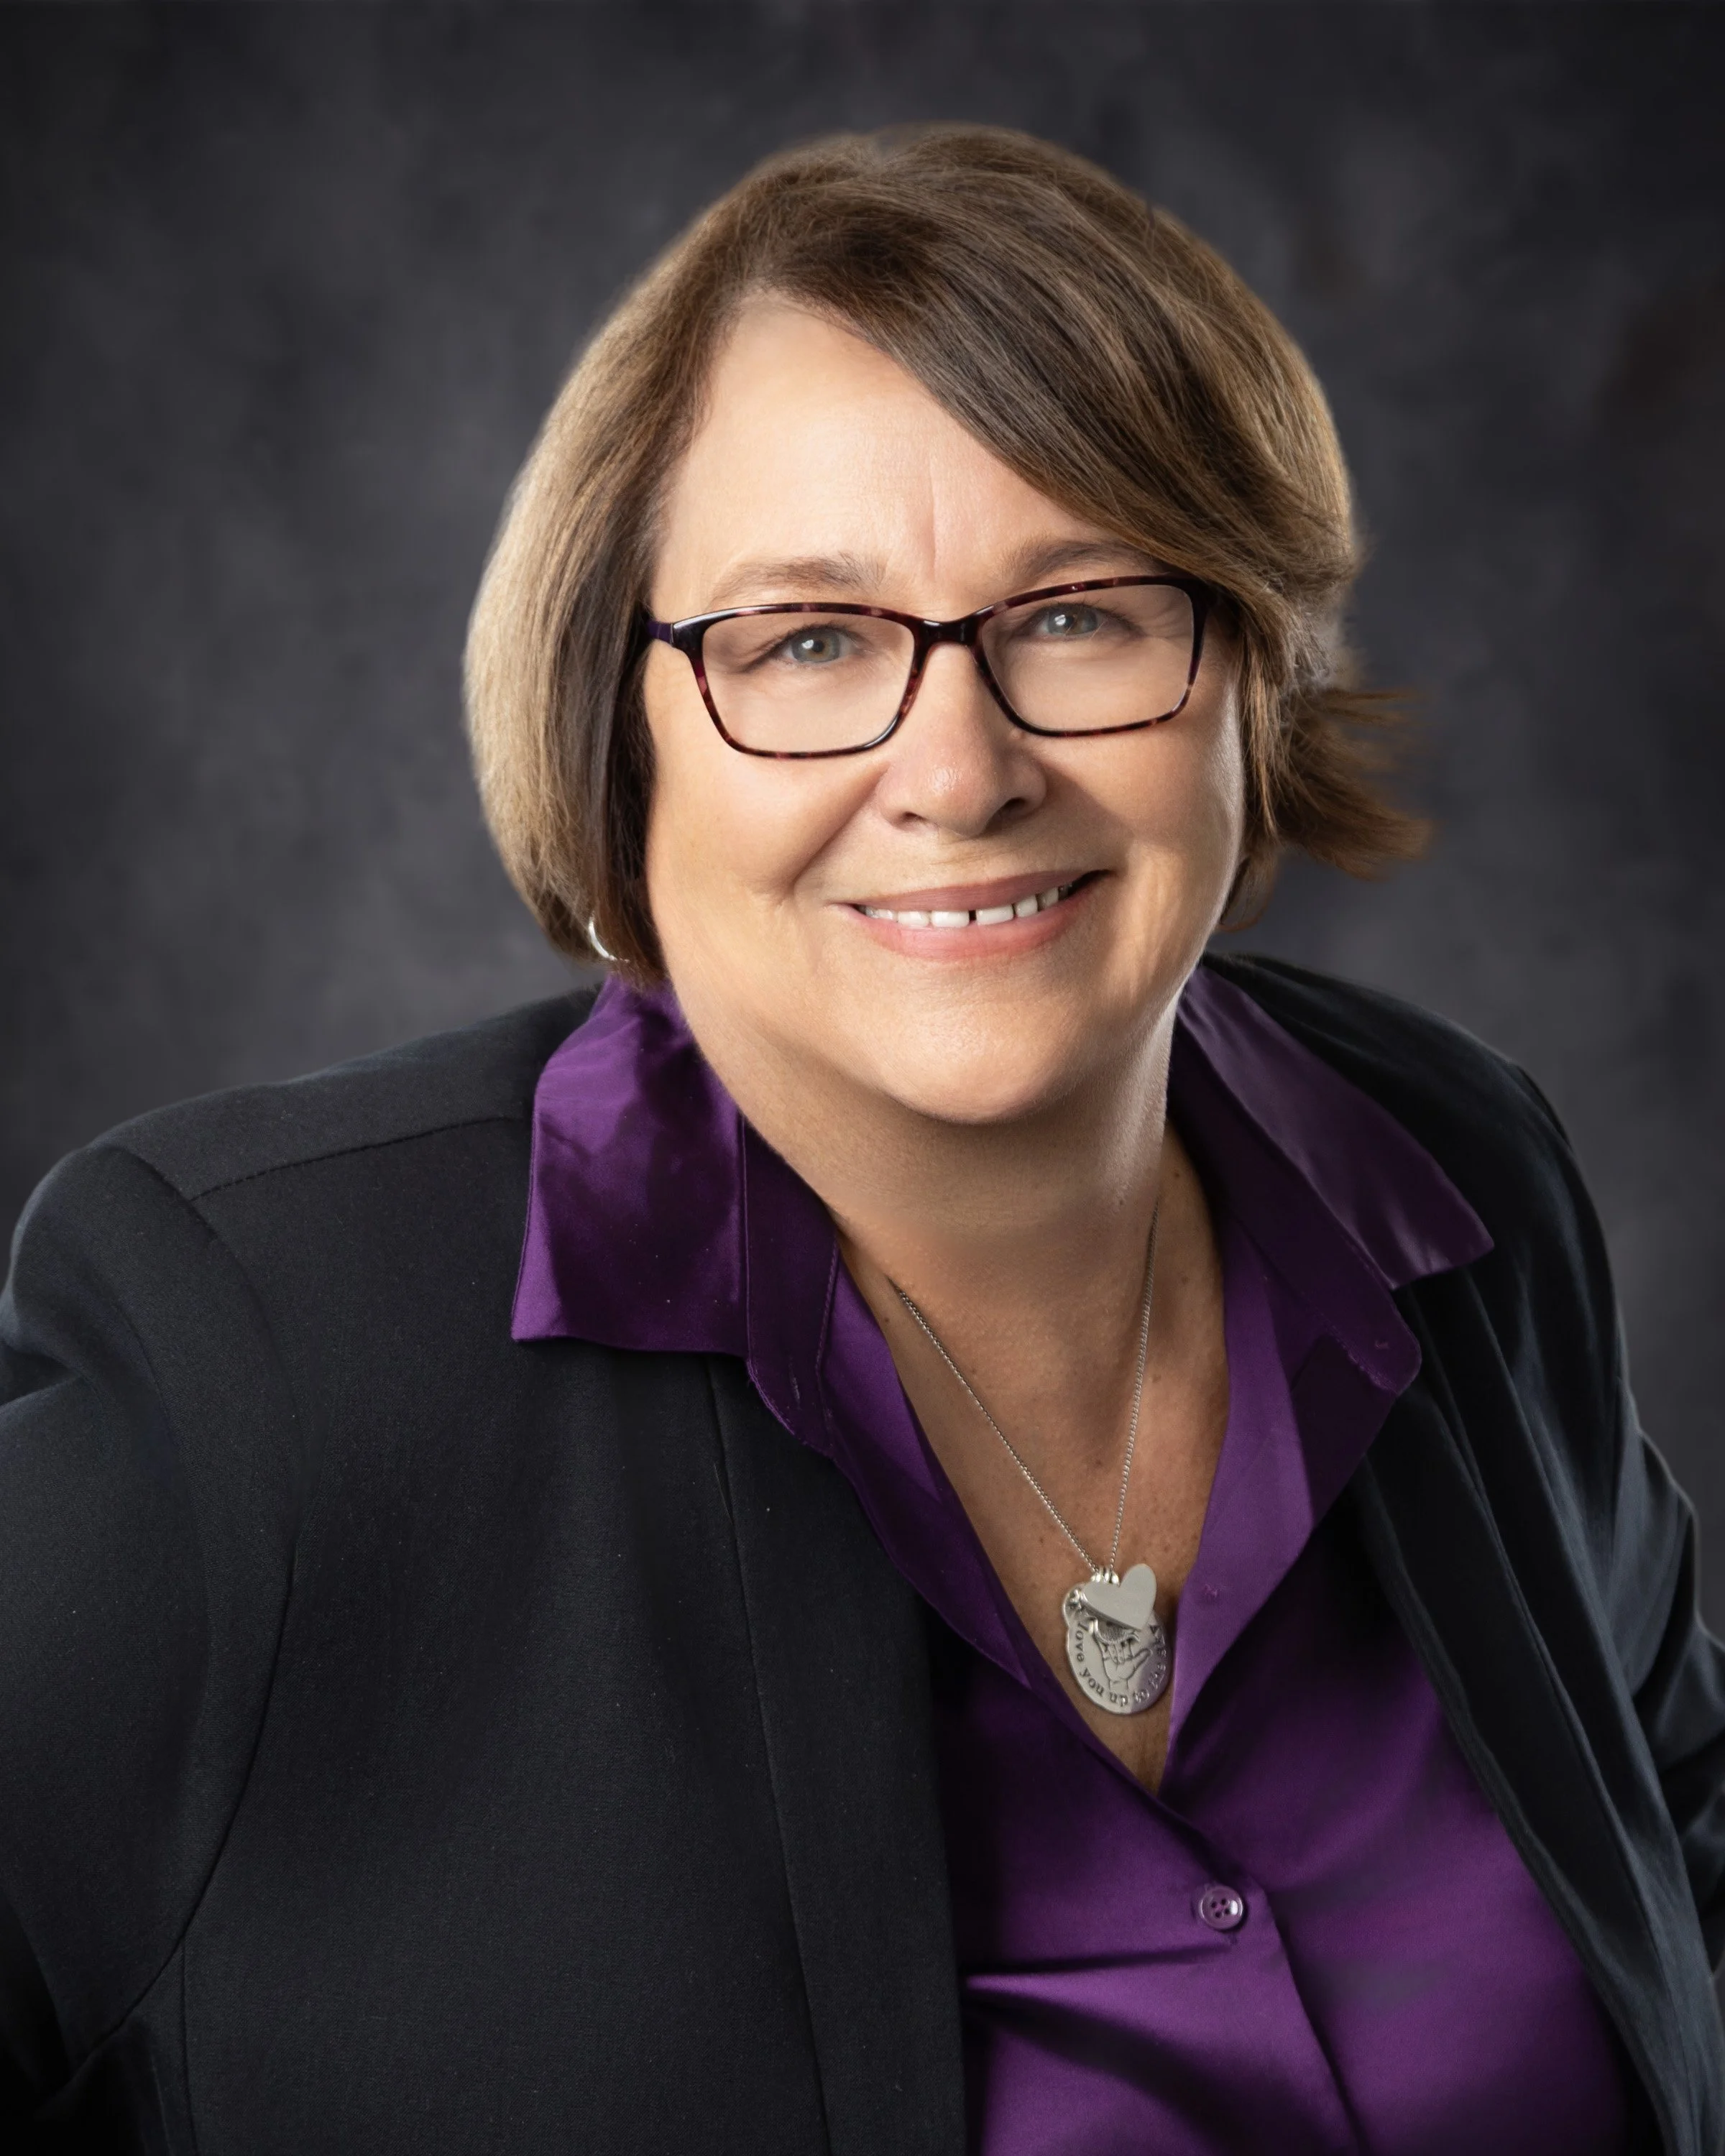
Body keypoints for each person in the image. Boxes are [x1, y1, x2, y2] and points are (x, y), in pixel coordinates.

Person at [1, 124, 1720, 2156]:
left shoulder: (1455, 1184)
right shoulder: (261, 1372)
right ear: (611, 725)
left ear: (1246, 670)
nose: (960, 767)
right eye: (806, 642)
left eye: (1078, 613)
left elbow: (1675, 1877)